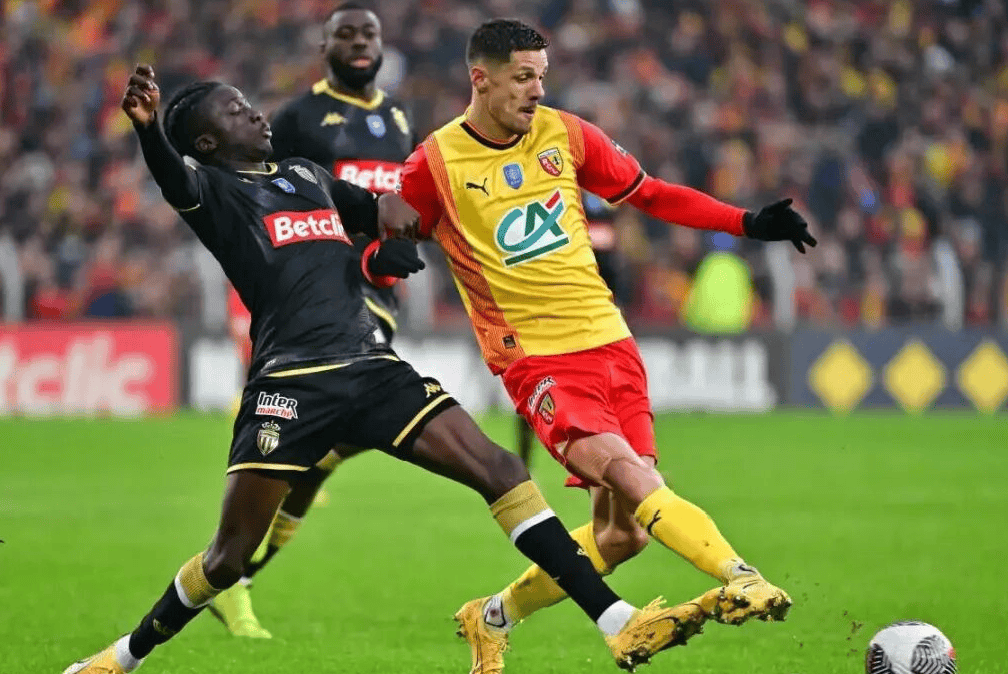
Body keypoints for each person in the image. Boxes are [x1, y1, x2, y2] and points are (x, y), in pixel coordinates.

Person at [61, 63, 709, 674]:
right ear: (207, 141)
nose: (255, 113)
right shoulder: (215, 193)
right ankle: (122, 658)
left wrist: (390, 238)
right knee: (228, 560)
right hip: (290, 385)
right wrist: (148, 131)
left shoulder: (306, 175)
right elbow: (173, 178)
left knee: (501, 470)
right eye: (235, 111)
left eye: (248, 103)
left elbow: (379, 212)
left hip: (372, 368)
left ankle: (617, 621)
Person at [390, 19, 817, 674]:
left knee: (623, 534)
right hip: (538, 357)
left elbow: (651, 193)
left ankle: (493, 616)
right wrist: (379, 261)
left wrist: (747, 222)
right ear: (481, 79)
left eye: (542, 76)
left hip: (612, 342)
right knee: (626, 470)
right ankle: (740, 574)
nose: (537, 90)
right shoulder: (435, 163)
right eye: (523, 78)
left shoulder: (566, 134)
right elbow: (386, 230)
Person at [206, 2, 419, 639]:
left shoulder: (398, 116)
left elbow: (393, 204)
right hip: (328, 293)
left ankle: (234, 577)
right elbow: (257, 193)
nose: (358, 42)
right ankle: (231, 574)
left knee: (327, 449)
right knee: (350, 427)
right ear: (324, 47)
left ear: (382, 43)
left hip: (381, 289)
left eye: (368, 33)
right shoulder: (299, 118)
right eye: (344, 34)